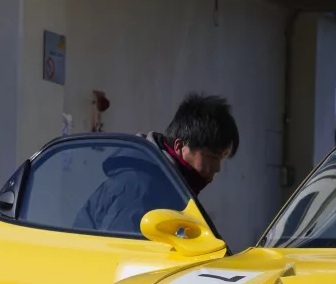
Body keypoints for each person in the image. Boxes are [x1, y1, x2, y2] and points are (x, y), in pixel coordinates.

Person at [74, 92, 239, 237]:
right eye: (211, 156)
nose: (217, 168)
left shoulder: (169, 182)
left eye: (221, 157)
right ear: (180, 147)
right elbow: (123, 256)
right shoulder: (139, 186)